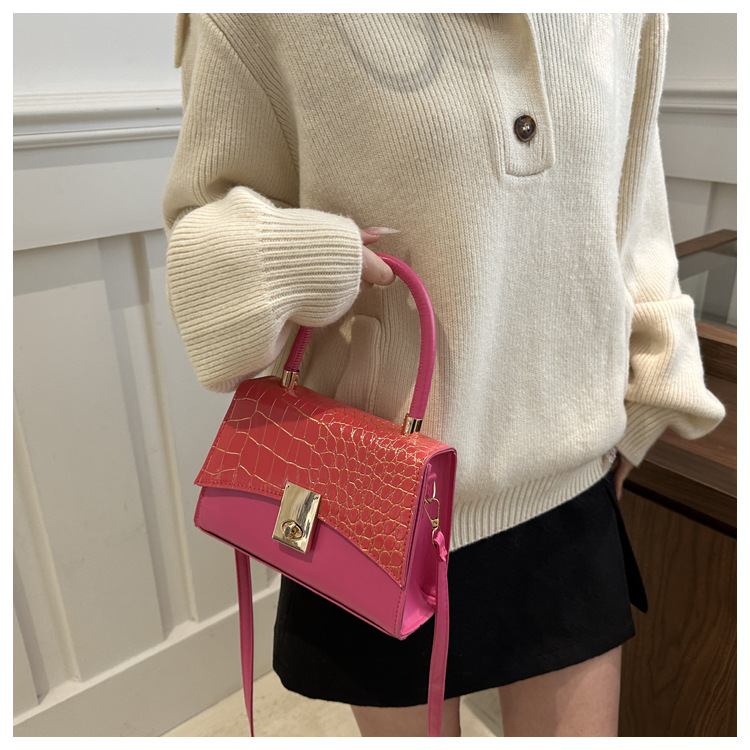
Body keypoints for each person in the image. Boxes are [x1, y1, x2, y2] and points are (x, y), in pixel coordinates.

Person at [162, 13, 726, 737]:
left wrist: (652, 386)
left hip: (569, 487)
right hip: (374, 505)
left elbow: (634, 211)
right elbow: (203, 240)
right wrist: (304, 258)